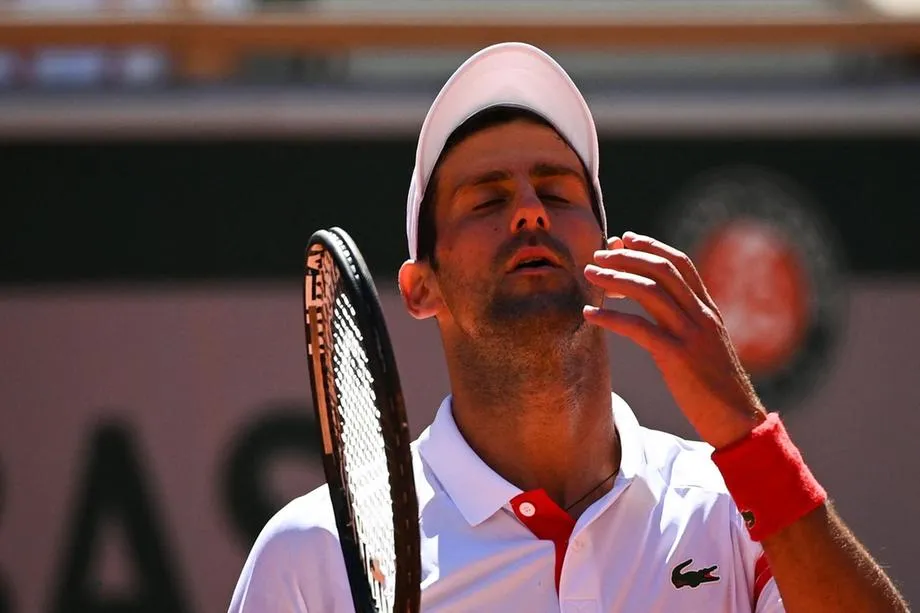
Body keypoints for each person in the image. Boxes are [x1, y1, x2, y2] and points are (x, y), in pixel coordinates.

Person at [229, 42, 908, 612]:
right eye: (487, 199)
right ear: (421, 287)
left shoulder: (737, 509)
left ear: (605, 254)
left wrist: (746, 436)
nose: (530, 211)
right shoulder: (315, 553)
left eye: (556, 190)